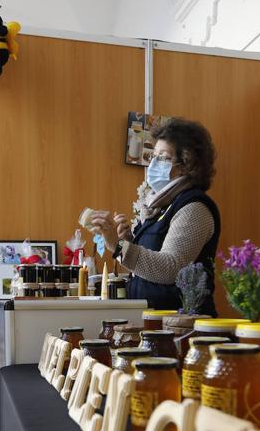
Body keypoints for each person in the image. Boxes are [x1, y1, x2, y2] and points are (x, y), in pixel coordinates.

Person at [91, 117, 220, 314]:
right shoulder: (161, 205)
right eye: (154, 156)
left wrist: (118, 246)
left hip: (182, 325)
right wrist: (128, 241)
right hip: (156, 321)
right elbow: (147, 268)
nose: (154, 163)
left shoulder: (194, 208)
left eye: (163, 157)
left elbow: (170, 268)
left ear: (186, 164)